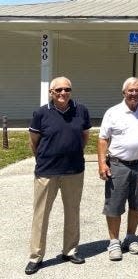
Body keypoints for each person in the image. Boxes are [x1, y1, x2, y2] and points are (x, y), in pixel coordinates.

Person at [25, 77, 91, 275]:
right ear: (51, 92)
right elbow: (33, 142)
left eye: (67, 89)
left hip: (74, 171)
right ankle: (35, 257)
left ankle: (70, 251)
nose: (63, 93)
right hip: (47, 171)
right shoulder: (41, 113)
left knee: (72, 212)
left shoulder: (81, 111)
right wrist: (44, 159)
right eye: (59, 90)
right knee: (41, 216)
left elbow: (84, 137)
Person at [98, 77, 138, 261]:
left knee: (137, 203)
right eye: (130, 90)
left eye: (137, 90)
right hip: (118, 164)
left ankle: (131, 237)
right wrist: (101, 163)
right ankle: (114, 242)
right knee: (114, 205)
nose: (134, 94)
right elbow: (102, 139)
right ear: (124, 93)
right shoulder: (113, 112)